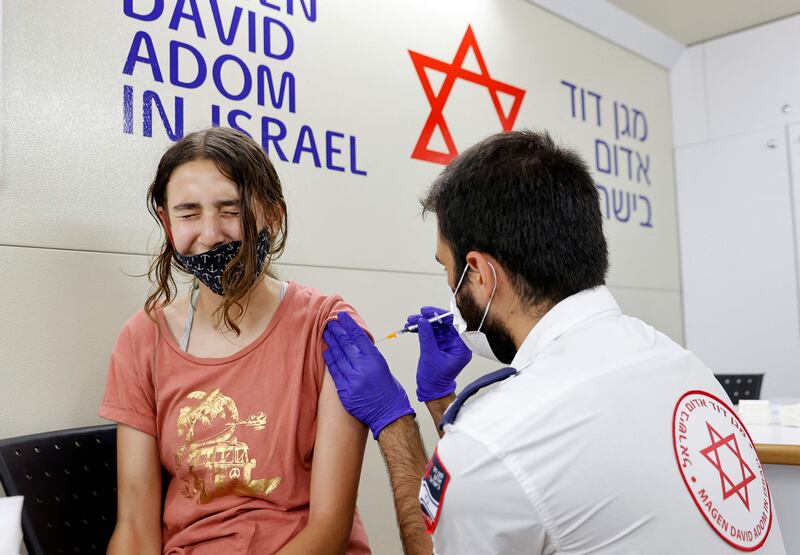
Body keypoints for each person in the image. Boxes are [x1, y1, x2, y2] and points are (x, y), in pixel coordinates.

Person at [323, 130, 786, 554]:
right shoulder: (676, 360)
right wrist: (443, 401)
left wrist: (393, 421)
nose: (450, 289)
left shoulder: (497, 439)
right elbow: (527, 489)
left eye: (449, 270)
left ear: (480, 274)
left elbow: (492, 475)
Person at [98, 127, 372, 554]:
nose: (210, 234)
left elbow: (329, 527)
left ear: (272, 214)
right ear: (167, 223)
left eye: (231, 210)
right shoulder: (142, 338)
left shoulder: (329, 327)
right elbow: (134, 525)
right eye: (188, 214)